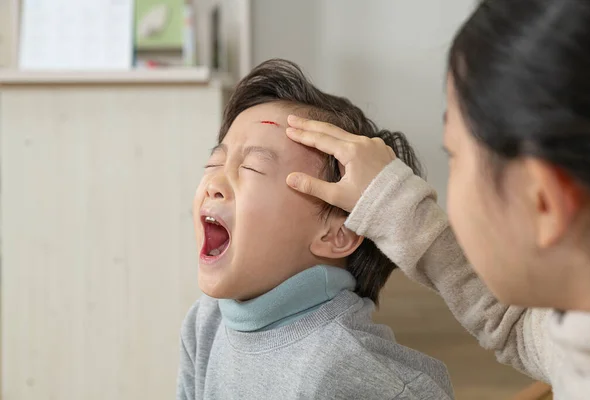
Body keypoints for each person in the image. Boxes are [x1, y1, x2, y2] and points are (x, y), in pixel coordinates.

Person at [284, 1, 590, 399]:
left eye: (453, 152)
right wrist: (391, 200)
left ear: (543, 203)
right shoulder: (576, 323)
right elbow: (513, 323)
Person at [176, 59, 454, 400]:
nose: (214, 182)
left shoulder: (351, 373)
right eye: (215, 162)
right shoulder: (205, 324)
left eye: (252, 167)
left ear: (337, 233)